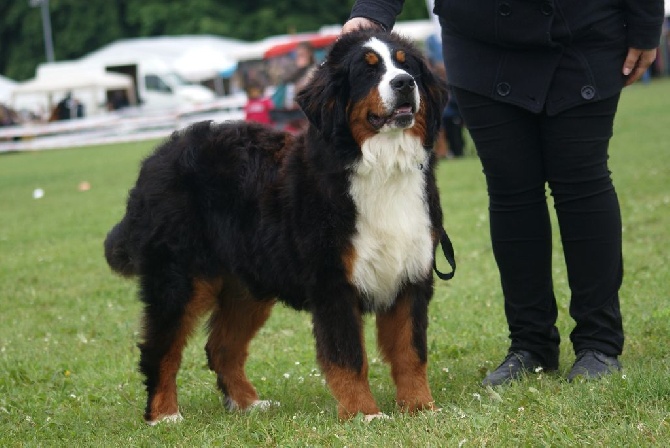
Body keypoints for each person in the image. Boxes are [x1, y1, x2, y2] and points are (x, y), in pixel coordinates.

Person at [342, 1, 664, 385]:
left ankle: (599, 342)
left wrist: (645, 22)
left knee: (583, 182)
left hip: (583, 28)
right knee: (511, 188)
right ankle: (530, 345)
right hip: (481, 38)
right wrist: (372, 8)